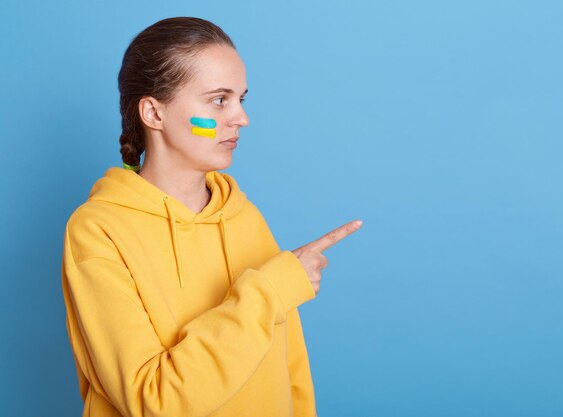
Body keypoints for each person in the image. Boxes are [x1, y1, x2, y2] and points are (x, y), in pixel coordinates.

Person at [60, 16, 362, 417]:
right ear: (153, 113)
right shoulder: (97, 231)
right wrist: (269, 291)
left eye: (241, 99)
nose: (241, 117)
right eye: (219, 100)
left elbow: (289, 370)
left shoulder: (244, 217)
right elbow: (154, 402)